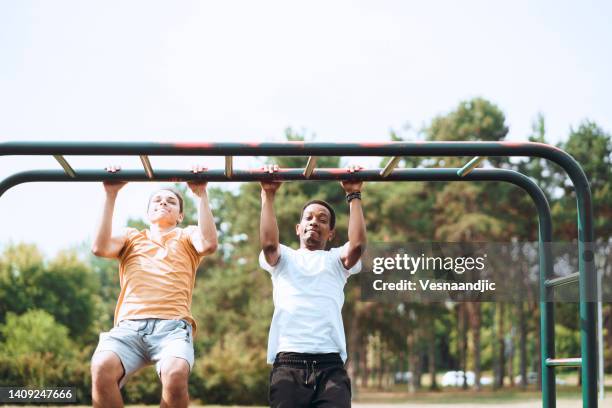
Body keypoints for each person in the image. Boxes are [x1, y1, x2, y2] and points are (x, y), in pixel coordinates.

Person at [90, 165, 218, 408]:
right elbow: (99, 247)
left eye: (171, 201)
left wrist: (201, 194)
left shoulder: (187, 235)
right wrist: (111, 194)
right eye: (157, 200)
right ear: (148, 212)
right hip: (130, 326)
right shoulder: (131, 237)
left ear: (180, 215)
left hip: (172, 327)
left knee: (176, 373)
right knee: (101, 366)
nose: (163, 203)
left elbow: (209, 244)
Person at [259, 164, 366, 408]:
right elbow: (268, 245)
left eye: (322, 220)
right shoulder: (284, 258)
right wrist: (268, 194)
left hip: (330, 364)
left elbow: (358, 245)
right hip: (288, 362)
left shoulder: (337, 261)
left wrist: (354, 195)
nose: (314, 222)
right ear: (298, 229)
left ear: (331, 234)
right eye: (308, 218)